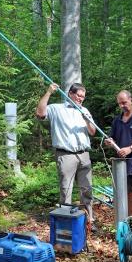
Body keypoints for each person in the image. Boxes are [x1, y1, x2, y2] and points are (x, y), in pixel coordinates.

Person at [36, 82, 97, 229]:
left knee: (87, 189)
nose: (81, 99)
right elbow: (40, 113)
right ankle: (66, 222)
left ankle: (89, 220)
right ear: (70, 93)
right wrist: (49, 92)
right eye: (78, 95)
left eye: (83, 97)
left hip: (84, 155)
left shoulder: (84, 110)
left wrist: (86, 120)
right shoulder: (57, 109)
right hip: (66, 155)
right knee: (66, 190)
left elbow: (93, 132)